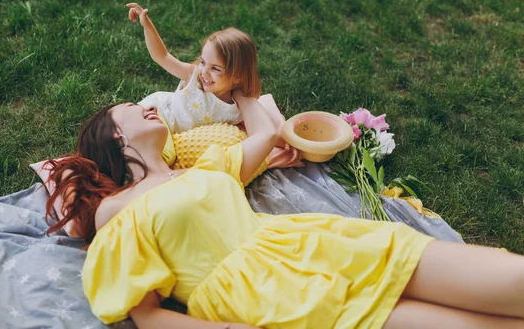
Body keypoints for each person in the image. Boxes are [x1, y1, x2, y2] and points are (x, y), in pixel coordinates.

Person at [45, 92, 524, 329]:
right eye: (132, 107)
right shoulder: (115, 210)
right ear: (112, 135)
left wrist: (241, 85)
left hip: (319, 243)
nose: (149, 106)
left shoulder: (205, 167)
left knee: (511, 279)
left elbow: (264, 136)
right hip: (269, 293)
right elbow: (145, 316)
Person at [126, 2, 263, 134]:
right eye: (203, 62)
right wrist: (147, 25)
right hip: (158, 114)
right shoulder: (193, 75)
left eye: (215, 69)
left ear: (238, 76)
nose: (204, 72)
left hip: (175, 139)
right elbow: (162, 56)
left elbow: (258, 130)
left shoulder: (237, 108)